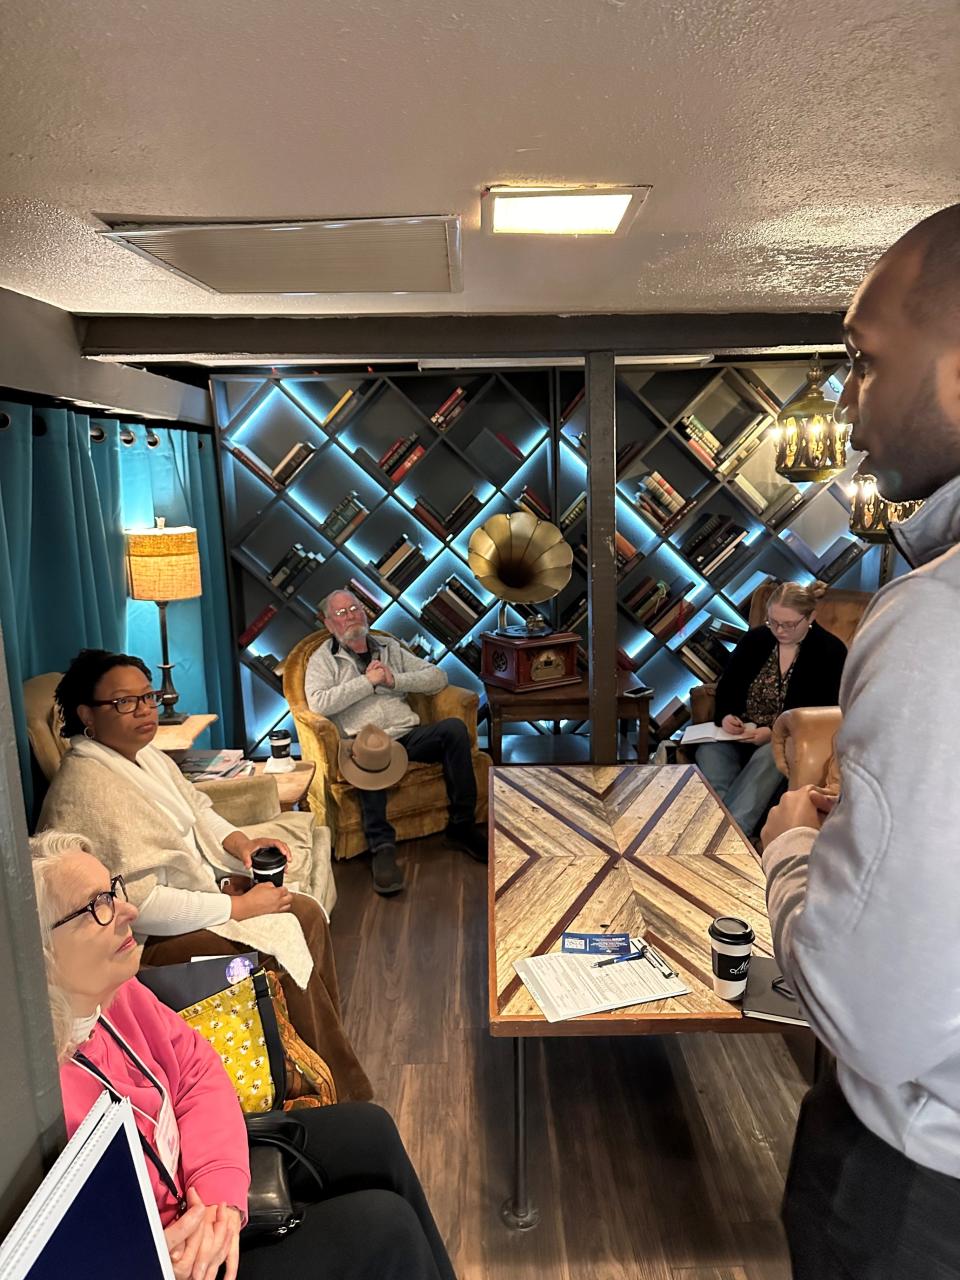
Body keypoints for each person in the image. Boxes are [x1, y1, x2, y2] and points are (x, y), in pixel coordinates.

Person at [760, 201, 960, 1278]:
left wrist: (794, 848)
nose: (845, 401)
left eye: (864, 362)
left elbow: (871, 1016)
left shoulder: (937, 618)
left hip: (919, 1193)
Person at [31, 830, 458, 1280]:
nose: (128, 911)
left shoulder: (117, 994)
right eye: (96, 906)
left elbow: (197, 1070)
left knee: (371, 1130)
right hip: (168, 1259)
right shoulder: (37, 1099)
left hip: (196, 1191)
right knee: (385, 1229)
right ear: (34, 950)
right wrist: (170, 1248)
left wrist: (218, 1191)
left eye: (114, 891)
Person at [39, 648, 371, 1101]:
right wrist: (238, 905)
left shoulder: (144, 757)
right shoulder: (88, 788)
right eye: (124, 702)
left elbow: (198, 810)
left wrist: (241, 846)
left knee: (304, 910)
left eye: (148, 697)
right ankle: (334, 1090)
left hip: (187, 903)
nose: (144, 710)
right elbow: (143, 905)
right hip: (142, 944)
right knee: (286, 921)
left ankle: (324, 1062)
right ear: (86, 715)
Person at [305, 589, 486, 895]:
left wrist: (393, 680)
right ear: (327, 623)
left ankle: (462, 826)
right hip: (365, 741)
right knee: (367, 758)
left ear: (366, 613)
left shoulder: (390, 647)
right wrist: (367, 682)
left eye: (355, 608)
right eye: (341, 613)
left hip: (408, 733)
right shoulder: (323, 660)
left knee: (454, 729)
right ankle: (382, 849)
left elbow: (437, 677)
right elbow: (319, 703)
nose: (350, 616)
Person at [696, 580, 846, 836]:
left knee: (770, 755)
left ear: (811, 616)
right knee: (710, 750)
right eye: (772, 622)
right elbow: (727, 688)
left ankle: (728, 836)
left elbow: (824, 715)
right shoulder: (756, 639)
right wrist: (726, 717)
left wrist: (773, 734)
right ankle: (720, 831)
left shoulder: (830, 651)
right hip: (740, 734)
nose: (779, 630)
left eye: (788, 624)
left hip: (784, 742)